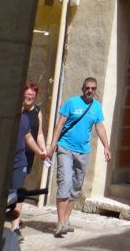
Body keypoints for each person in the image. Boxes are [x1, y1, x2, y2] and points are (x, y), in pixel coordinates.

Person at [47, 77, 111, 239]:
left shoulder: (96, 107)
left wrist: (106, 147)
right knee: (65, 182)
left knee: (76, 186)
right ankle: (60, 222)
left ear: (95, 90)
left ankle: (66, 219)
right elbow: (60, 124)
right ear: (83, 89)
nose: (90, 90)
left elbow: (100, 127)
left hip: (83, 151)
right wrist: (53, 144)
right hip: (65, 147)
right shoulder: (72, 102)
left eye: (93, 88)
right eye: (87, 88)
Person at [12, 83, 47, 233]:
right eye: (28, 93)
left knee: (18, 187)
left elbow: (38, 134)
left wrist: (43, 150)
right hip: (13, 153)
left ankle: (15, 221)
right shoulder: (16, 111)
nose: (30, 96)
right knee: (13, 188)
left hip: (27, 155)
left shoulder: (37, 111)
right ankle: (14, 216)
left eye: (33, 95)